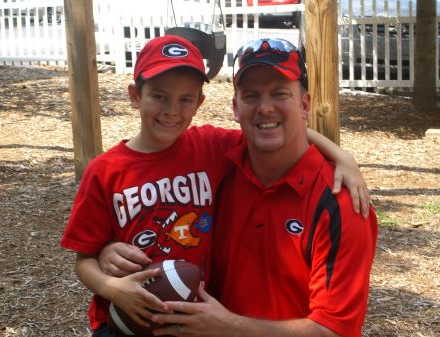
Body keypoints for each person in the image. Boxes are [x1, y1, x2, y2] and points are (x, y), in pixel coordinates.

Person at [61, 35, 371, 337]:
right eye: (251, 96)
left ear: (305, 104)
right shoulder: (222, 161)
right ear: (236, 109)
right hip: (145, 321)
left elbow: (335, 330)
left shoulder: (337, 200)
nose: (264, 108)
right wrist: (105, 261)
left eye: (280, 93)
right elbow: (85, 253)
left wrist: (342, 156)